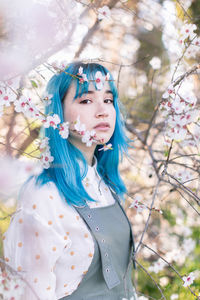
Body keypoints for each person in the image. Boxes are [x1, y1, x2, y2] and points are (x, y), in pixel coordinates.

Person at [3, 62, 137, 300]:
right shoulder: (43, 194)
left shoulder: (107, 185)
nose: (102, 110)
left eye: (108, 100)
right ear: (58, 113)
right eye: (86, 100)